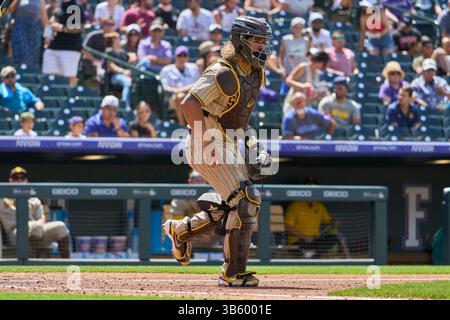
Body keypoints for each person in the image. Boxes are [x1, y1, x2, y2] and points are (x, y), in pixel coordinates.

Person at [164, 16, 274, 287]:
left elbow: (241, 120)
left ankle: (179, 231)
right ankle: (232, 273)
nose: (262, 47)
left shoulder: (255, 73)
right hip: (206, 142)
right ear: (241, 41)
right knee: (245, 199)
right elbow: (187, 104)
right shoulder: (222, 71)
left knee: (232, 205)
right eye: (257, 40)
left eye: (264, 41)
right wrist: (207, 140)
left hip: (227, 140)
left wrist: (253, 146)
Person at [0, 167, 70, 258]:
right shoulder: (3, 198)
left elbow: (41, 218)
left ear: (26, 180)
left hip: (37, 231)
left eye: (22, 178)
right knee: (32, 228)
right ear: (10, 180)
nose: (19, 180)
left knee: (60, 227)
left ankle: (67, 264)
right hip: (16, 233)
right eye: (16, 178)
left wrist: (38, 227)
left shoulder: (34, 199)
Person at [284, 177, 340, 258]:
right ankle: (312, 253)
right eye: (308, 187)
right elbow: (287, 227)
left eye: (313, 188)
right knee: (311, 249)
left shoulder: (319, 205)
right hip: (299, 240)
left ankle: (311, 253)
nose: (311, 191)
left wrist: (335, 222)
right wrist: (305, 237)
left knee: (333, 238)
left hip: (315, 239)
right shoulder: (295, 205)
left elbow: (328, 221)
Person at [167, 170, 221, 248]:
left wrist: (210, 234)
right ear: (190, 181)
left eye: (202, 180)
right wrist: (198, 233)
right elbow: (176, 224)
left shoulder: (215, 196)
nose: (200, 183)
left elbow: (221, 220)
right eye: (197, 180)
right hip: (189, 240)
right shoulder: (180, 199)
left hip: (213, 240)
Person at [42, 0, 86, 86]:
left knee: (69, 78)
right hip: (53, 46)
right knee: (50, 76)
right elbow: (53, 22)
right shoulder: (59, 5)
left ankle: (70, 98)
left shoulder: (74, 6)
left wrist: (62, 28)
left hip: (69, 48)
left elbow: (79, 28)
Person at [159, 46, 200, 125]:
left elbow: (197, 84)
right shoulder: (166, 69)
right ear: (175, 56)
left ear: (188, 57)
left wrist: (180, 90)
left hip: (192, 95)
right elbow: (165, 87)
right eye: (179, 55)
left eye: (184, 55)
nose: (182, 58)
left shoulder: (193, 67)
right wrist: (177, 91)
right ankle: (182, 124)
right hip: (172, 97)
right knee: (180, 96)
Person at [9, 0, 48, 67]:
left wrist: (47, 35)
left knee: (33, 58)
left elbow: (44, 18)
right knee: (21, 55)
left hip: (34, 31)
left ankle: (29, 76)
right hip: (19, 28)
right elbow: (9, 10)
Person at [81, 17, 117, 88]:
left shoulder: (115, 37)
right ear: (103, 25)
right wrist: (96, 60)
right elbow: (84, 51)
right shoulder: (94, 35)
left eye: (112, 24)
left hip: (108, 65)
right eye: (107, 24)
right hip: (91, 63)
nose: (110, 26)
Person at [105, 33, 133, 108]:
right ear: (114, 40)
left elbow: (128, 64)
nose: (120, 40)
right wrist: (123, 72)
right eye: (118, 38)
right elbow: (110, 66)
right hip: (114, 76)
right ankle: (125, 105)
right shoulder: (109, 51)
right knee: (127, 82)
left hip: (124, 75)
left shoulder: (123, 52)